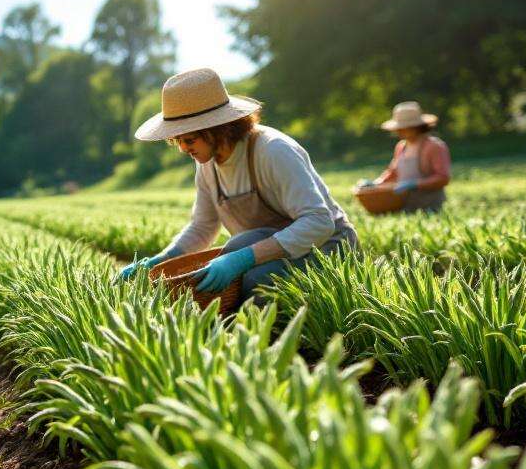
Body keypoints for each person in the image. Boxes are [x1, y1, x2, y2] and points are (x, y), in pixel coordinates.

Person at [116, 68, 357, 303]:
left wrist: (244, 259)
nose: (182, 148)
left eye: (189, 139)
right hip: (278, 247)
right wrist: (159, 261)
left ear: (217, 128)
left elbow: (319, 222)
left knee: (256, 279)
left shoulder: (273, 151)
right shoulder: (207, 164)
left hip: (328, 246)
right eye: (177, 140)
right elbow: (202, 227)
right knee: (237, 246)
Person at [362, 101, 451, 213]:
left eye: (403, 128)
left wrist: (414, 184)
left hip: (429, 205)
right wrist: (376, 184)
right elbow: (393, 172)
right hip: (405, 205)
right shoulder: (401, 146)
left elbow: (443, 178)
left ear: (416, 127)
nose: (398, 131)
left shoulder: (434, 146)